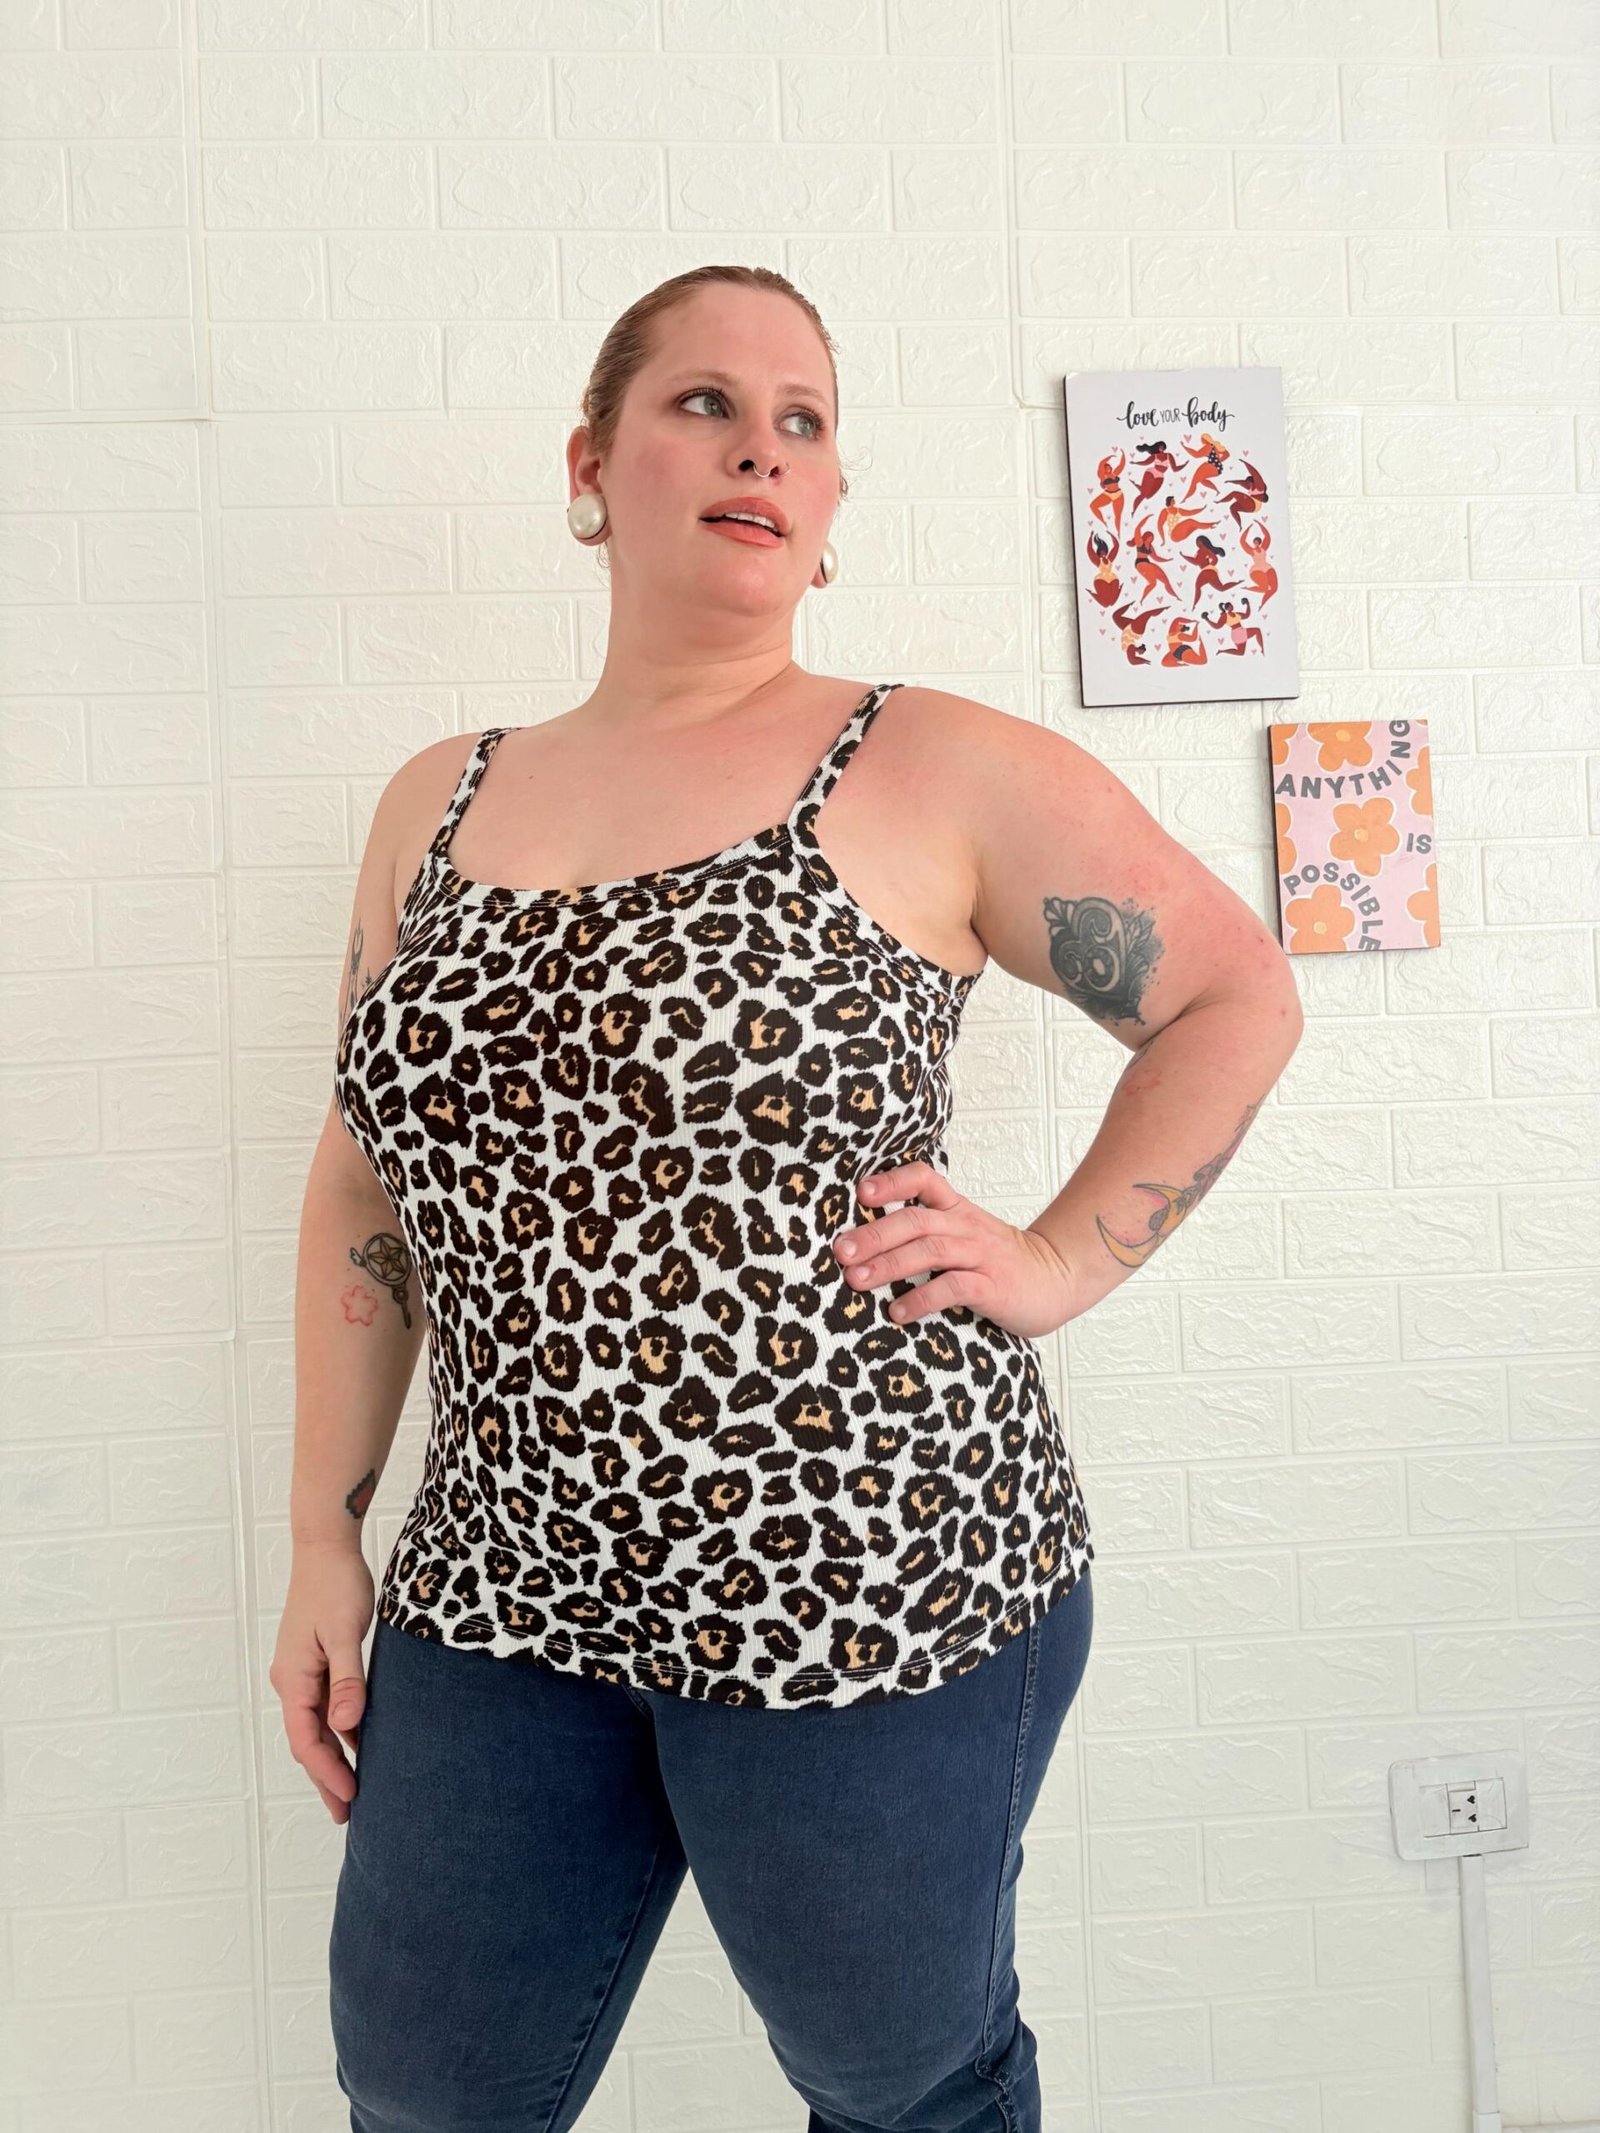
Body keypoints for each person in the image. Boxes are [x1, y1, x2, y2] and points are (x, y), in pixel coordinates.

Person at [273, 264, 1304, 2133]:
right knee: (424, 2092)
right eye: (704, 403)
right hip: (504, 1585)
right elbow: (363, 1172)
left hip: (868, 1581)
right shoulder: (438, 797)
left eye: (803, 422)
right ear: (590, 466)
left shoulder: (927, 761)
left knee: (898, 2086)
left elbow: (1234, 993)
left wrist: (1057, 1257)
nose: (760, 445)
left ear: (827, 510)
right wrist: (322, 1540)